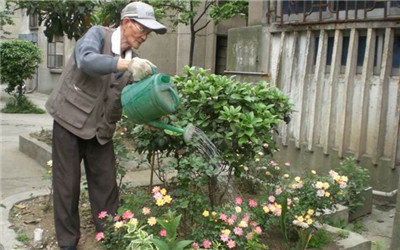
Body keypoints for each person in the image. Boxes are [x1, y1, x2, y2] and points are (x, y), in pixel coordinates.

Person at [45, 2, 167, 250]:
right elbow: (87, 61)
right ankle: (68, 244)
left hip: (101, 130)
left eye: (148, 33)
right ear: (126, 23)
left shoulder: (135, 63)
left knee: (106, 187)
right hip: (69, 121)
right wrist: (124, 64)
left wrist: (150, 117)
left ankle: (110, 237)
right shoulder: (98, 35)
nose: (144, 36)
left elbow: (131, 99)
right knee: (67, 187)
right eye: (142, 29)